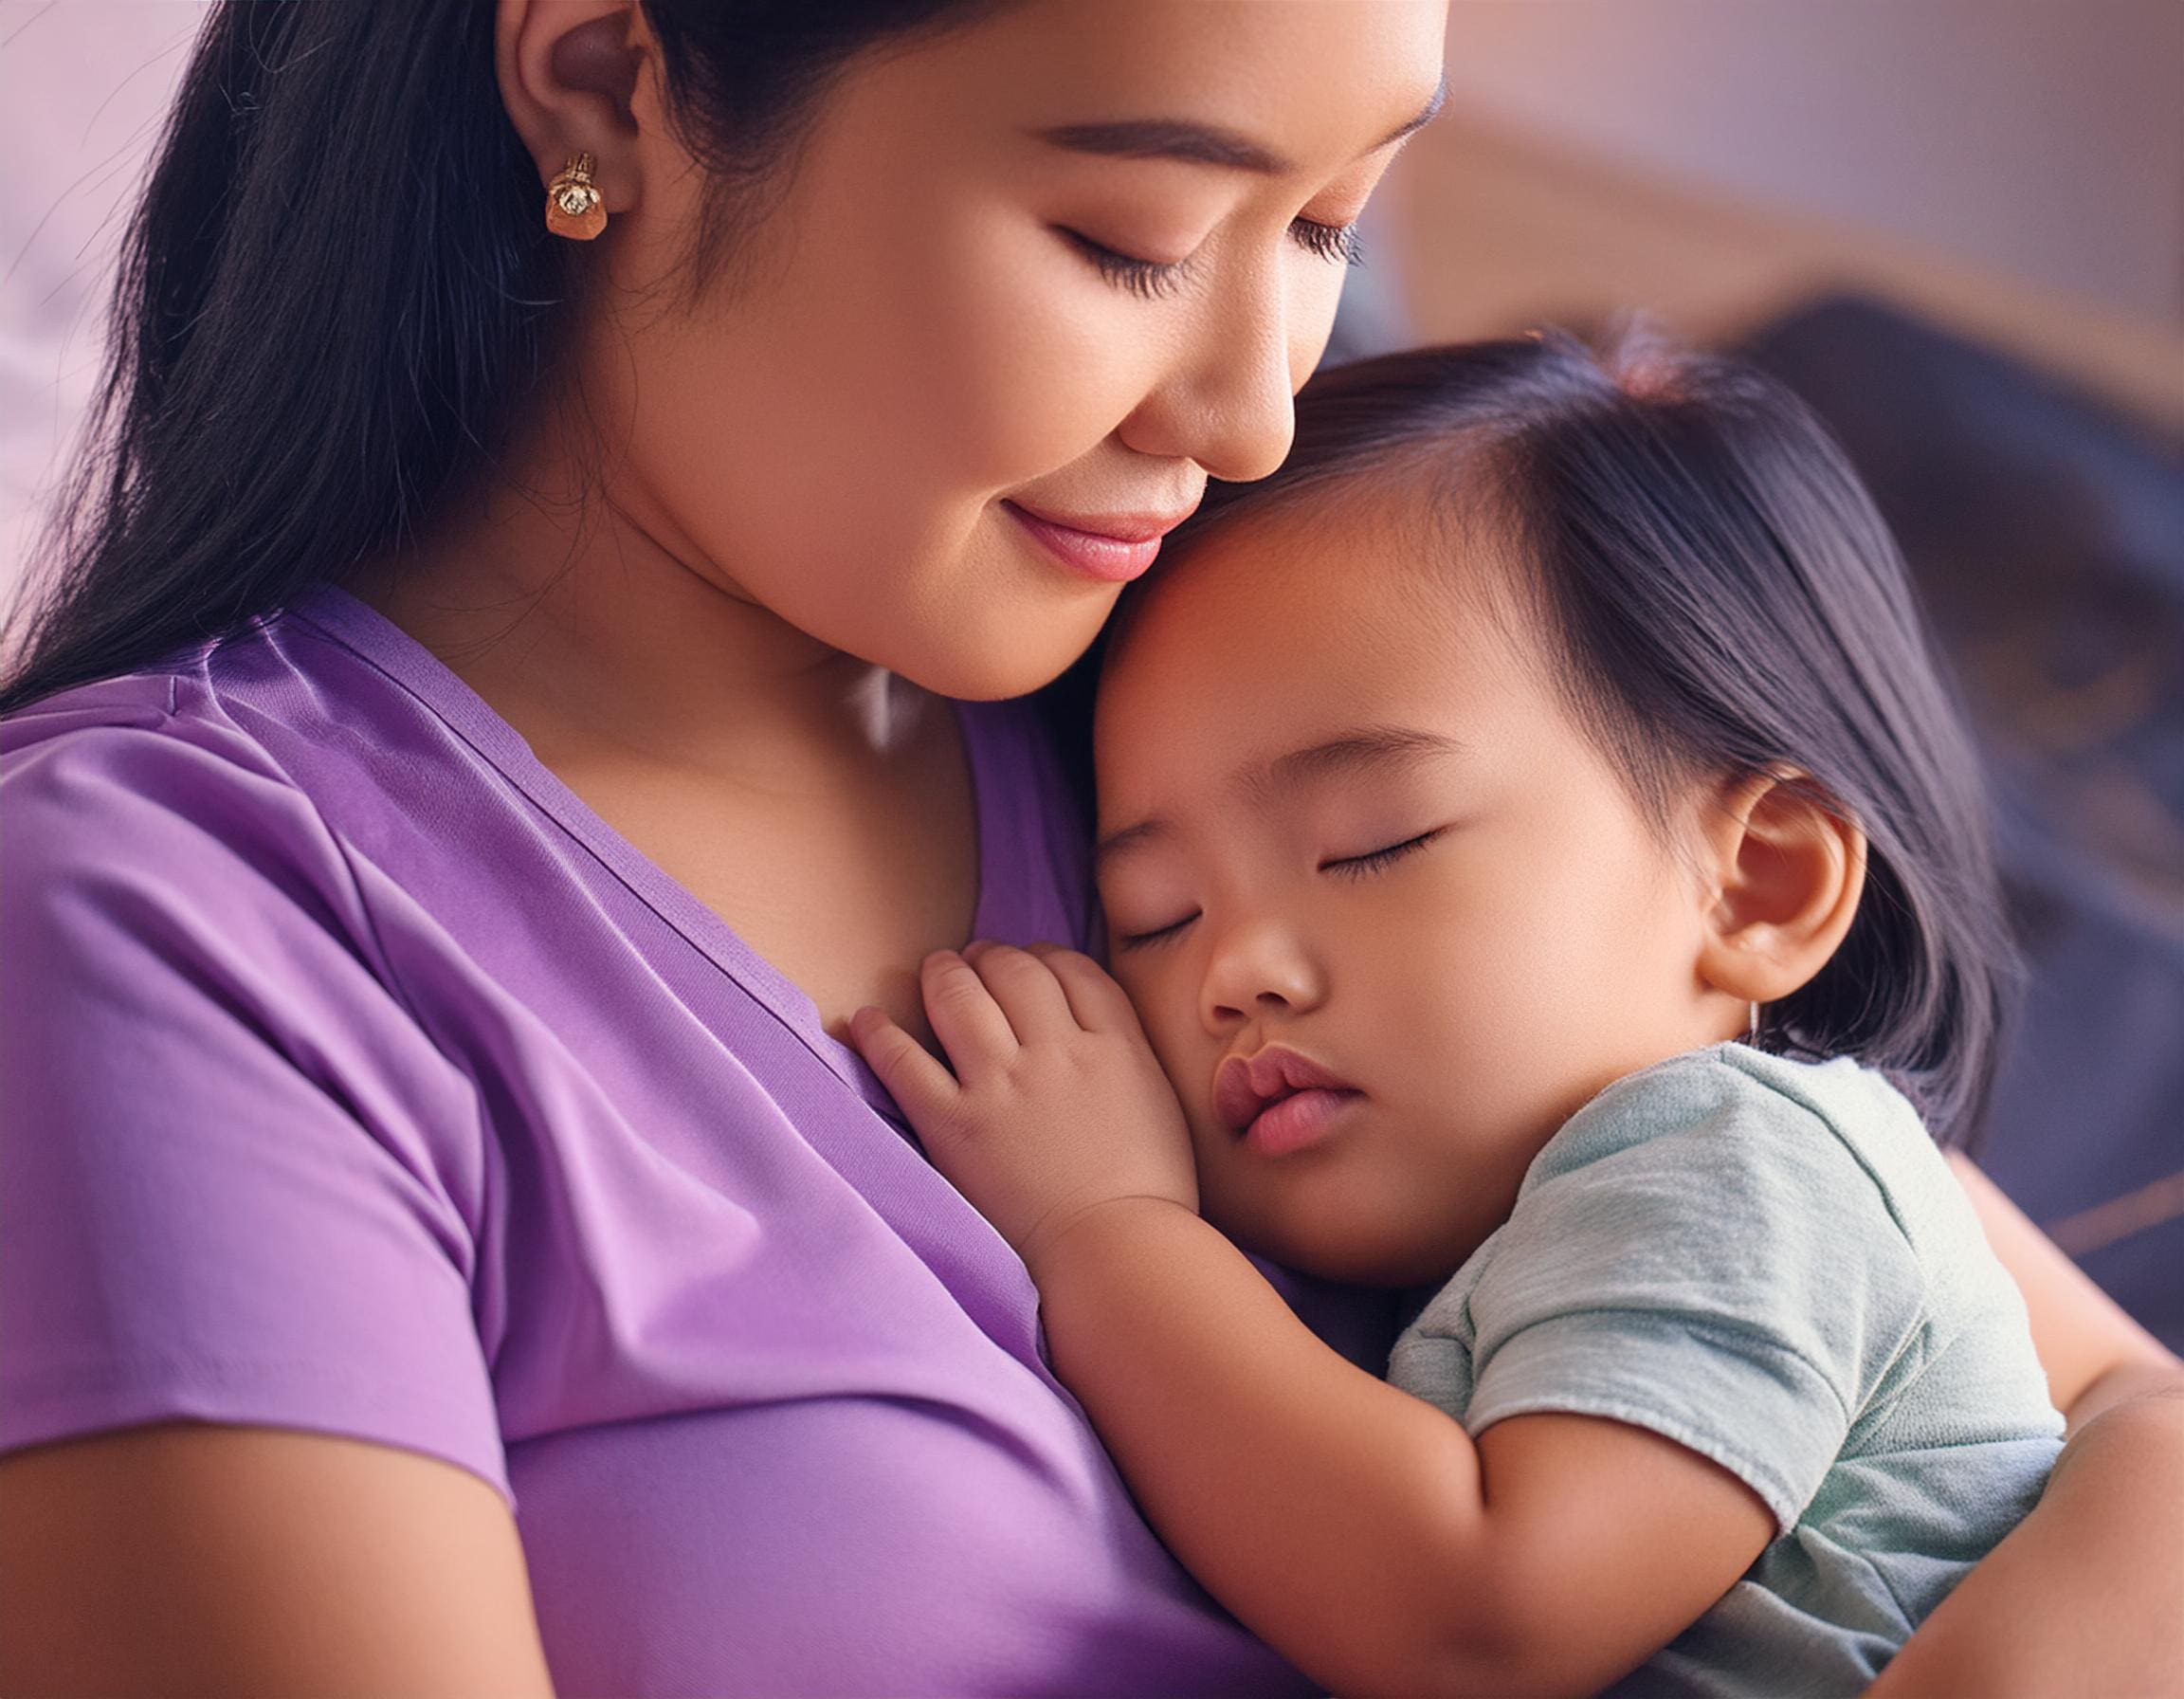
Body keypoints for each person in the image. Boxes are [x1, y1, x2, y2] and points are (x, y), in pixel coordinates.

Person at [0, 3, 2174, 1694]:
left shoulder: (1220, 712)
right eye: (1129, 241)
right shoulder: (182, 923)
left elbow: (2107, 1413)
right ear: (604, 86)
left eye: (1327, 228)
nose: (1249, 414)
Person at [848, 331, 2067, 1696]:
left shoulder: (1747, 1163)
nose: (1236, 968)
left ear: (1759, 885)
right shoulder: (1491, 1248)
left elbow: (1485, 1620)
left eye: (1374, 843)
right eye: (1155, 917)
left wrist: (1106, 1233)